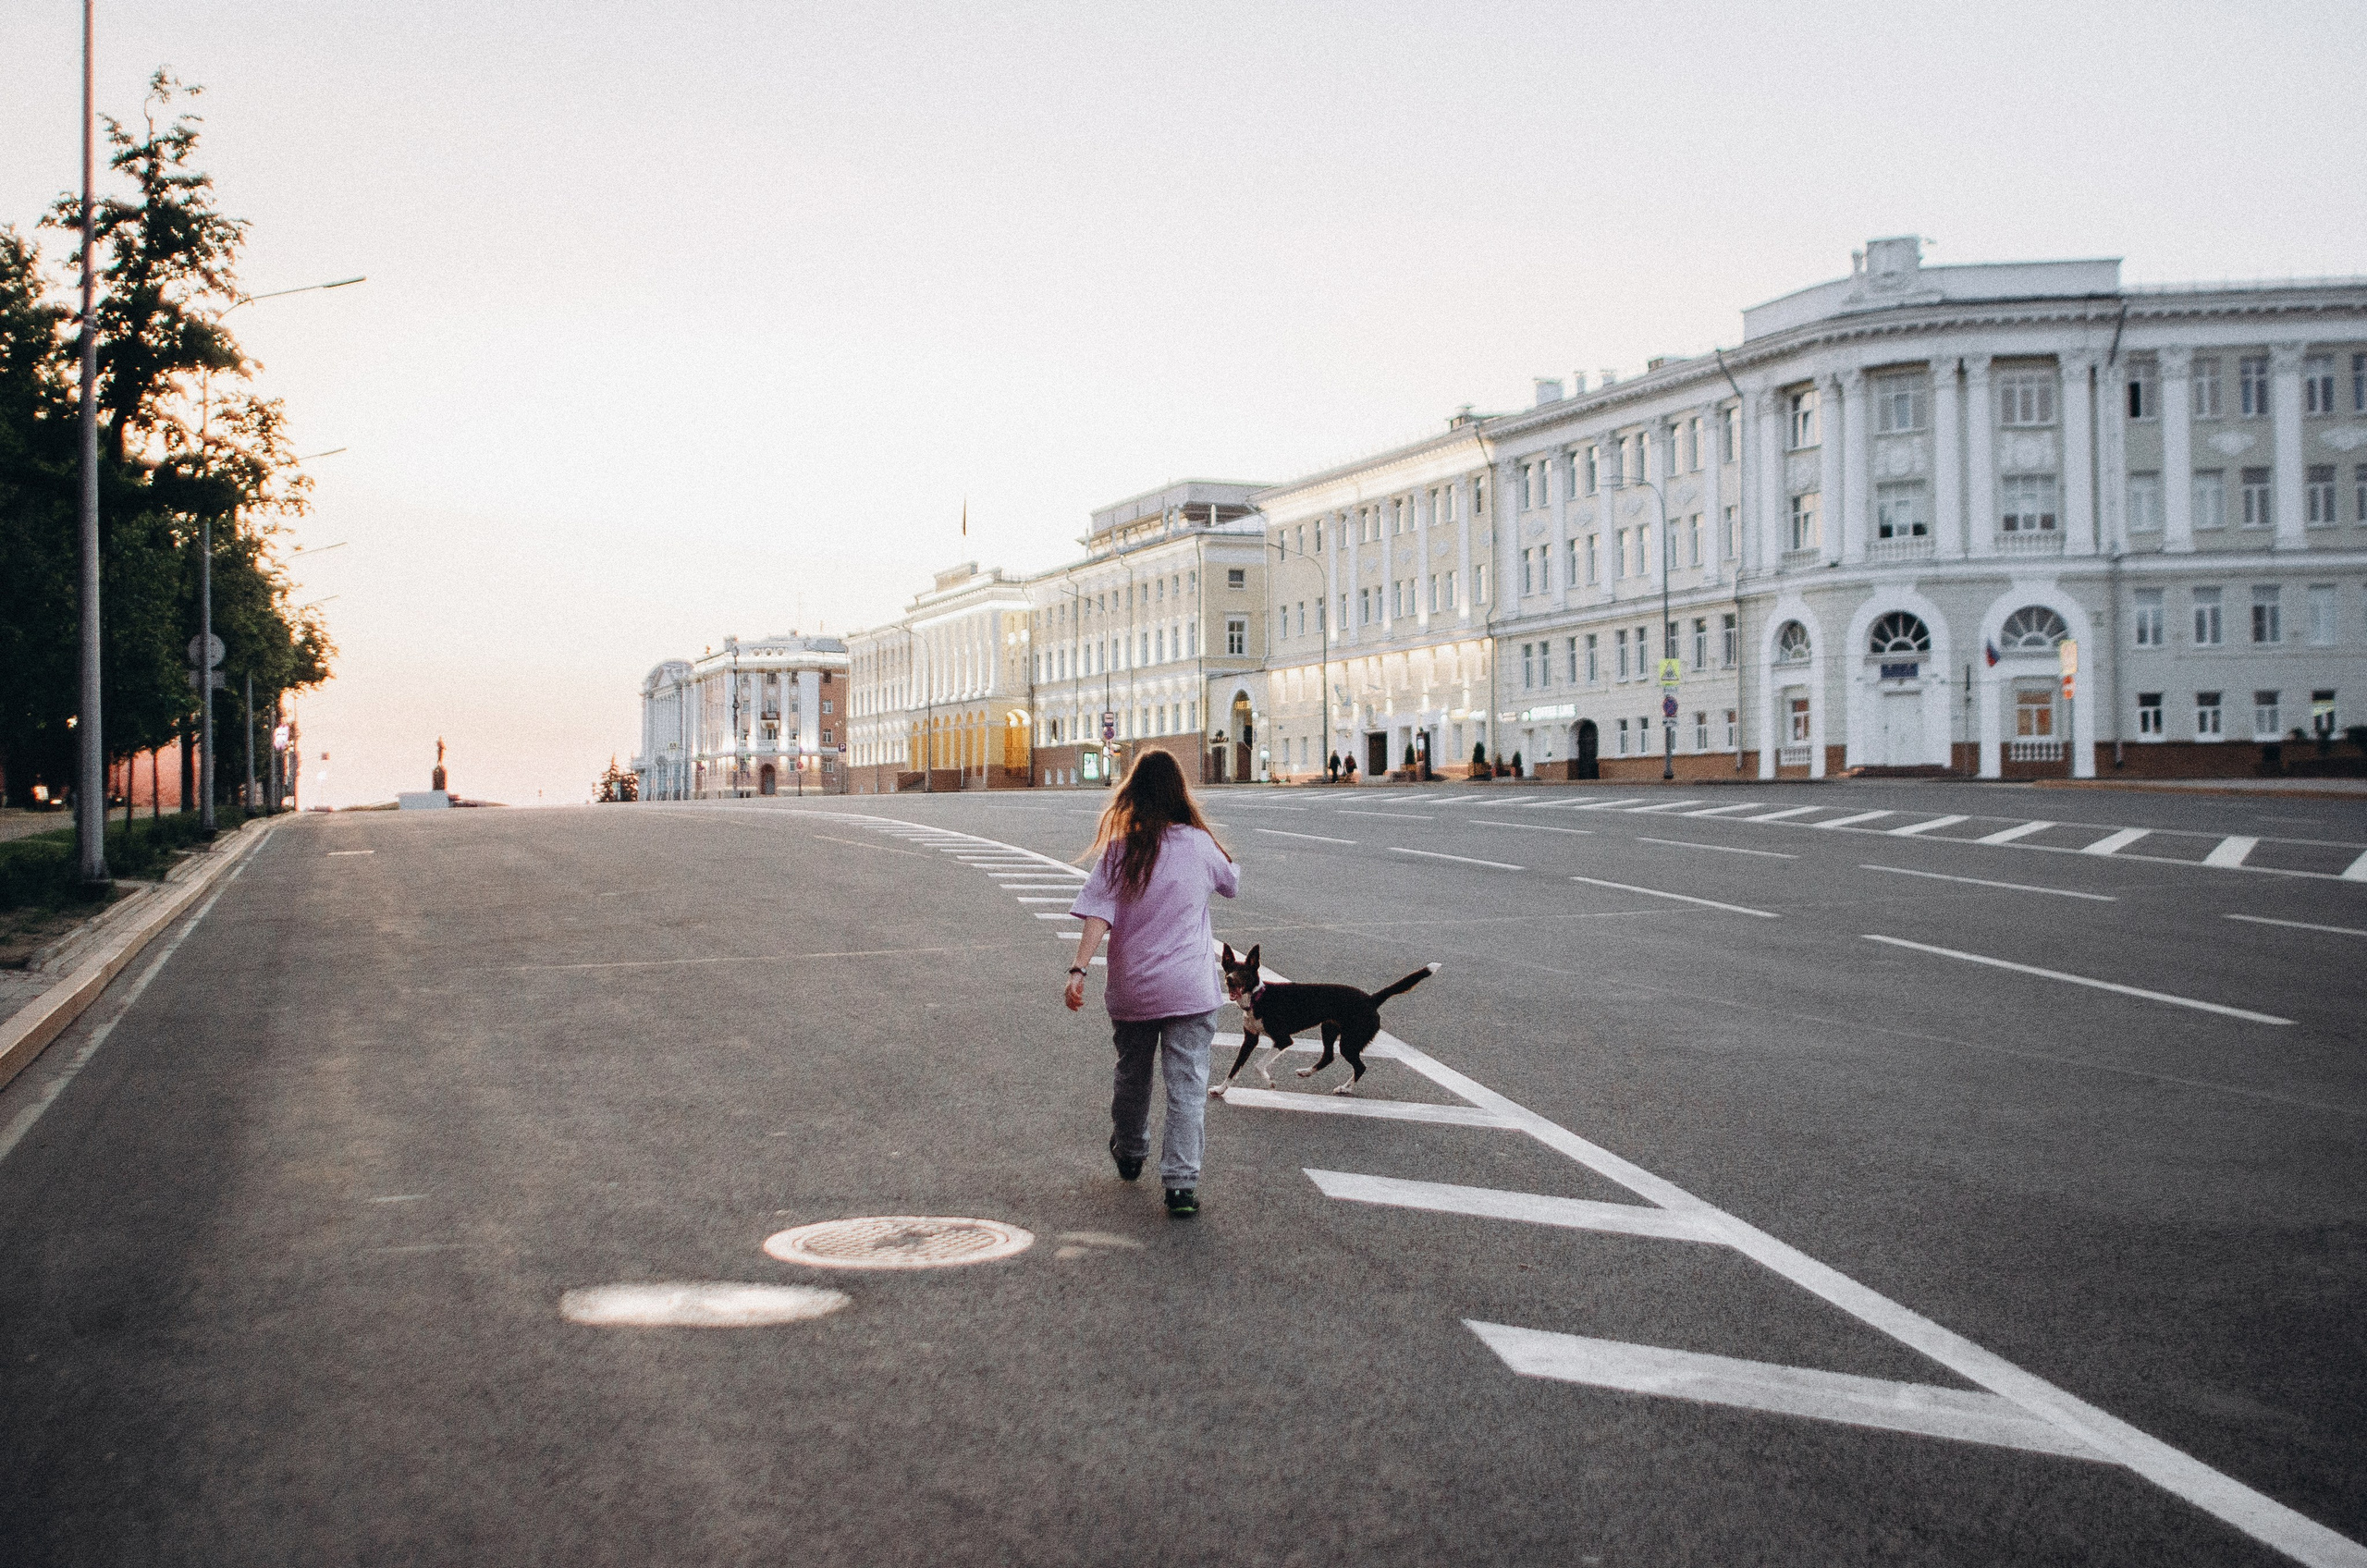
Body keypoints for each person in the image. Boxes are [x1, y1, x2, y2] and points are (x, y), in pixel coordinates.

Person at [1063, 749, 1237, 1217]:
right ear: (1180, 793)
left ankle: (1131, 1151)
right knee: (1187, 1086)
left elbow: (1098, 913)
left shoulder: (1121, 849)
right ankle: (1181, 1185)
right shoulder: (1200, 844)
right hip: (1190, 990)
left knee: (1131, 1075)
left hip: (1134, 987)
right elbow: (1231, 882)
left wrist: (1078, 969)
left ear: (1133, 793)